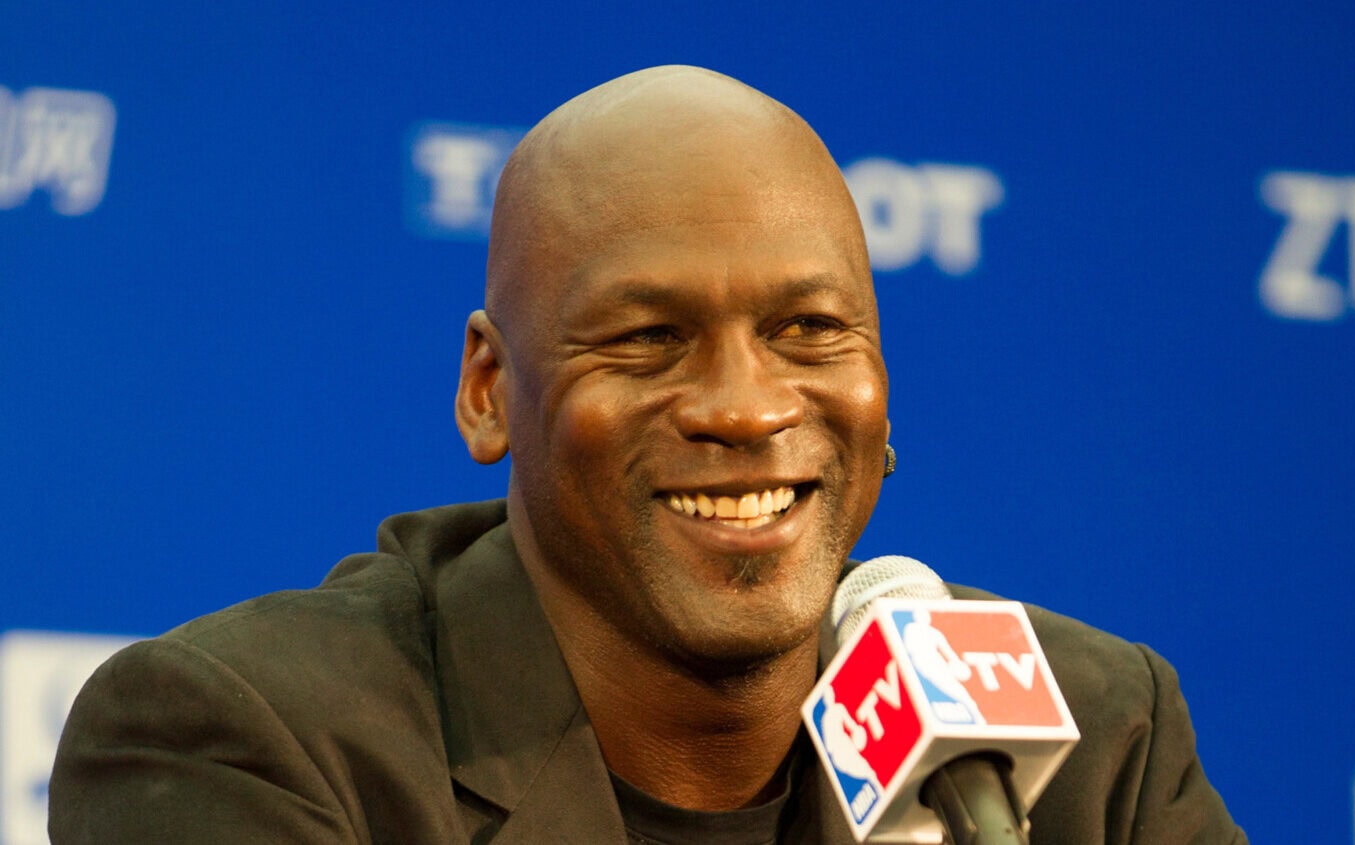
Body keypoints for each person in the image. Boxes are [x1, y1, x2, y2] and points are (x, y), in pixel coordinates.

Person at [49, 66, 1246, 844]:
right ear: (489, 391)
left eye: (808, 329)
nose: (745, 407)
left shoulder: (1091, 745)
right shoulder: (256, 741)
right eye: (647, 339)